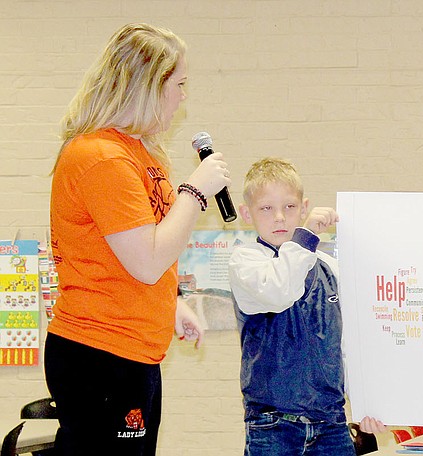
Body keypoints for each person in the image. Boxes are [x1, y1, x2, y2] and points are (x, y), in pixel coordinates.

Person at [46, 23, 232, 456]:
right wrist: (195, 191)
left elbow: (143, 252)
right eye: (179, 84)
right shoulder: (100, 156)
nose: (184, 96)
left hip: (133, 352)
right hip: (98, 351)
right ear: (148, 85)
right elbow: (146, 260)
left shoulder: (138, 153)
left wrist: (171, 303)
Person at [229, 157, 385, 456]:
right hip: (272, 426)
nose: (279, 217)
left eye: (289, 207)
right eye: (266, 208)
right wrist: (307, 236)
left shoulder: (329, 267)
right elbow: (280, 290)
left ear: (303, 207)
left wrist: (366, 403)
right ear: (246, 214)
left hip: (332, 424)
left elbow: (347, 343)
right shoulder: (245, 262)